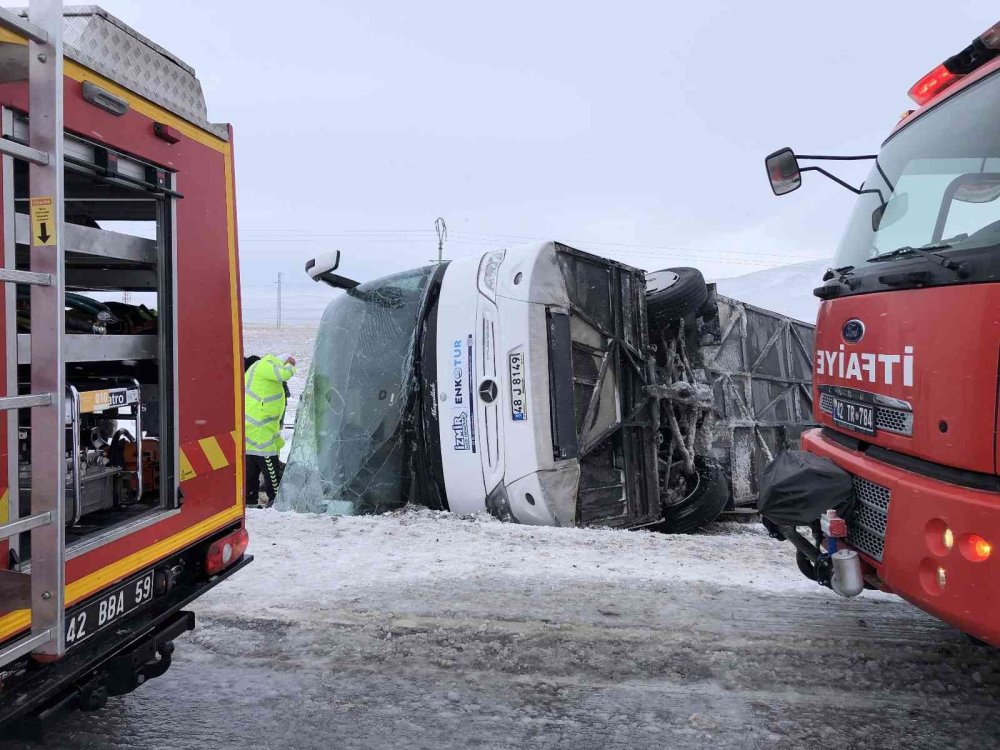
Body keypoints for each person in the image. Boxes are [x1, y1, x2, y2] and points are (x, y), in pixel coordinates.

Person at [244, 352, 296, 507]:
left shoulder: (254, 373)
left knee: (251, 469)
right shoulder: (265, 364)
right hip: (261, 431)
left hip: (254, 428)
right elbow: (284, 373)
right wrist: (290, 364)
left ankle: (250, 500)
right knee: (270, 469)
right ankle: (275, 500)